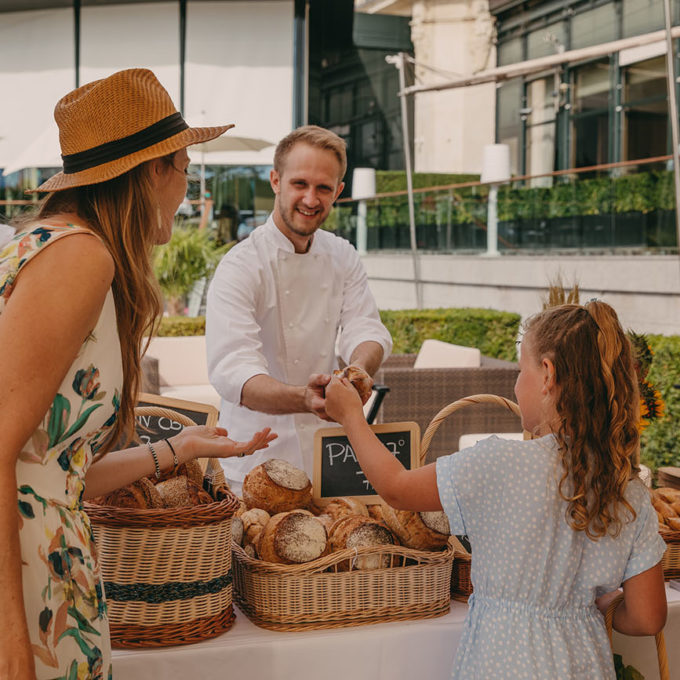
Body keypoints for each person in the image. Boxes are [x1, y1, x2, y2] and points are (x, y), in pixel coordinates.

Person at [0, 68, 276, 680]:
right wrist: (10, 634)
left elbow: (48, 472)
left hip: (46, 566)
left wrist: (177, 450)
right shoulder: (80, 256)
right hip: (26, 585)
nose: (187, 187)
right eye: (186, 169)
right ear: (154, 171)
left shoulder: (46, 245)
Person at [325, 300, 667, 679]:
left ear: (548, 375)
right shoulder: (629, 489)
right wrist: (596, 605)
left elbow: (396, 488)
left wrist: (352, 417)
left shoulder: (499, 463)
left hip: (499, 663)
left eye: (522, 370)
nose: (516, 382)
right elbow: (648, 616)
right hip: (584, 665)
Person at [206, 125, 392, 490]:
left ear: (338, 191)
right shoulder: (241, 265)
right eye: (299, 184)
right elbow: (234, 370)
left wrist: (357, 371)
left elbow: (365, 329)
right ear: (275, 181)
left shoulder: (343, 256)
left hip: (325, 454)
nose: (311, 198)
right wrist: (304, 399)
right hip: (254, 460)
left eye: (323, 188)